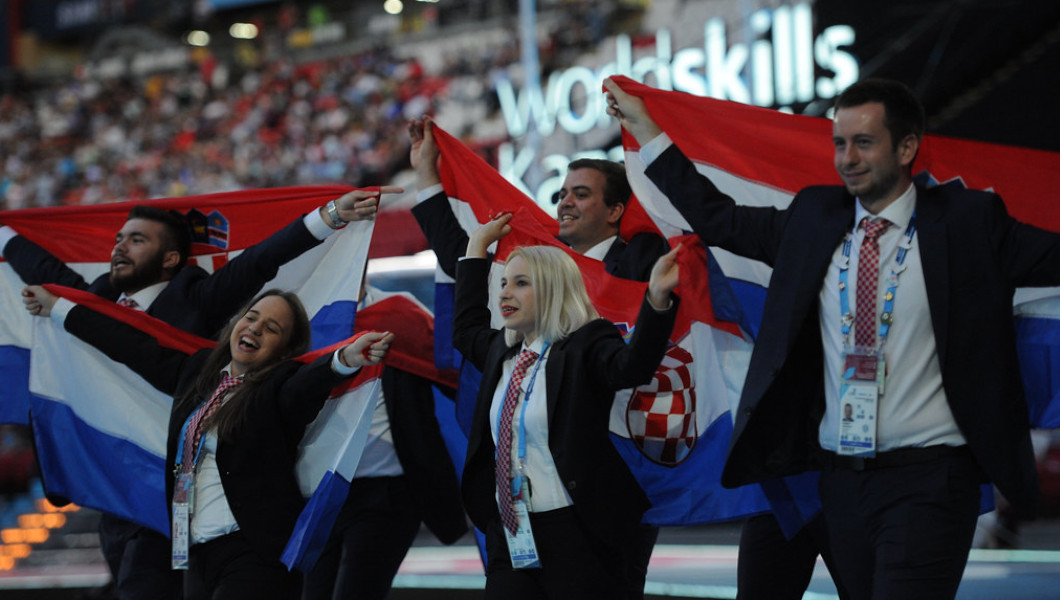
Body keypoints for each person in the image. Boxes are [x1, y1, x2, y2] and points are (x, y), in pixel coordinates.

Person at [604, 76, 1060, 599]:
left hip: (930, 477)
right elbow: (718, 217)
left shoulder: (968, 221)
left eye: (864, 142)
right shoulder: (814, 217)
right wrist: (647, 129)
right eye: (840, 143)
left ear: (906, 147)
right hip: (839, 481)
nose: (848, 158)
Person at [0, 188, 396, 600]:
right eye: (119, 238)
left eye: (137, 239)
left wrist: (329, 217)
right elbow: (110, 329)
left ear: (171, 258)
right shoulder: (180, 359)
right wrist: (11, 244)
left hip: (238, 542)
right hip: (159, 518)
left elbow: (261, 265)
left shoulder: (201, 305)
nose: (120, 247)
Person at [408, 115, 666, 595]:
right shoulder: (534, 276)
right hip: (516, 524)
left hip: (607, 494)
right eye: (561, 193)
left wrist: (657, 300)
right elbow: (466, 283)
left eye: (581, 193)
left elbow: (633, 363)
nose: (564, 201)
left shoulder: (641, 262)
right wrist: (427, 176)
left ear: (616, 211)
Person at [454, 213, 680, 599]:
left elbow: (633, 367)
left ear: (553, 288)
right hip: (510, 531)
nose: (505, 294)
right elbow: (465, 328)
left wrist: (657, 300)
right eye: (504, 283)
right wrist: (477, 247)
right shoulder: (500, 351)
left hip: (577, 533)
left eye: (521, 283)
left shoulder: (585, 344)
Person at [301, 279, 466, 600]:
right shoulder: (301, 315)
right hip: (320, 490)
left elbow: (457, 373)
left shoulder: (400, 314)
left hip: (388, 489)